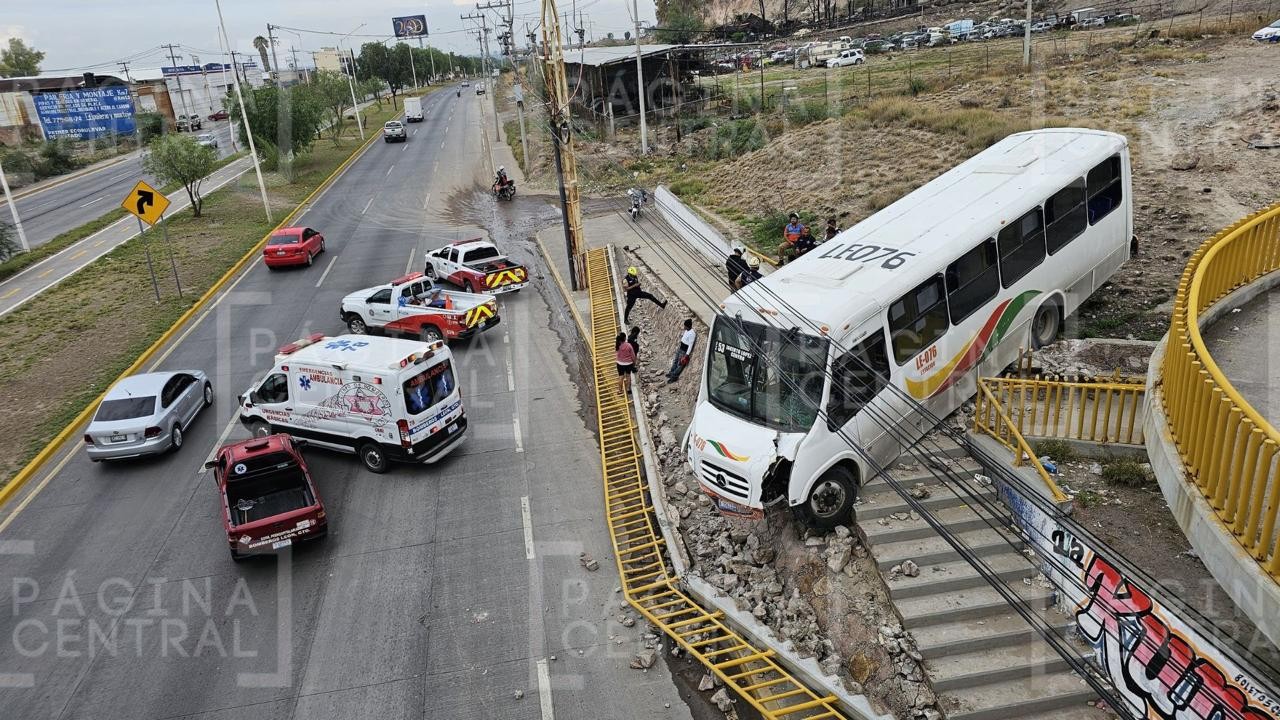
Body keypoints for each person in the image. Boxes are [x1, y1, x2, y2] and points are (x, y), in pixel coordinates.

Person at [667, 318, 697, 383]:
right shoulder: (686, 331)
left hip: (684, 351)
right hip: (680, 348)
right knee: (675, 361)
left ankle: (674, 377)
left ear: (688, 326)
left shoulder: (692, 334)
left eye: (685, 326)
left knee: (680, 364)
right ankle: (671, 372)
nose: (684, 327)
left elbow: (690, 345)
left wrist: (687, 355)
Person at [615, 332, 636, 396]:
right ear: (624, 338)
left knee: (621, 377)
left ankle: (620, 390)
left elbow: (617, 354)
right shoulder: (629, 345)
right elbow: (633, 355)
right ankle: (628, 389)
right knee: (628, 376)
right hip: (628, 364)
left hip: (620, 363)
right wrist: (634, 362)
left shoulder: (617, 345)